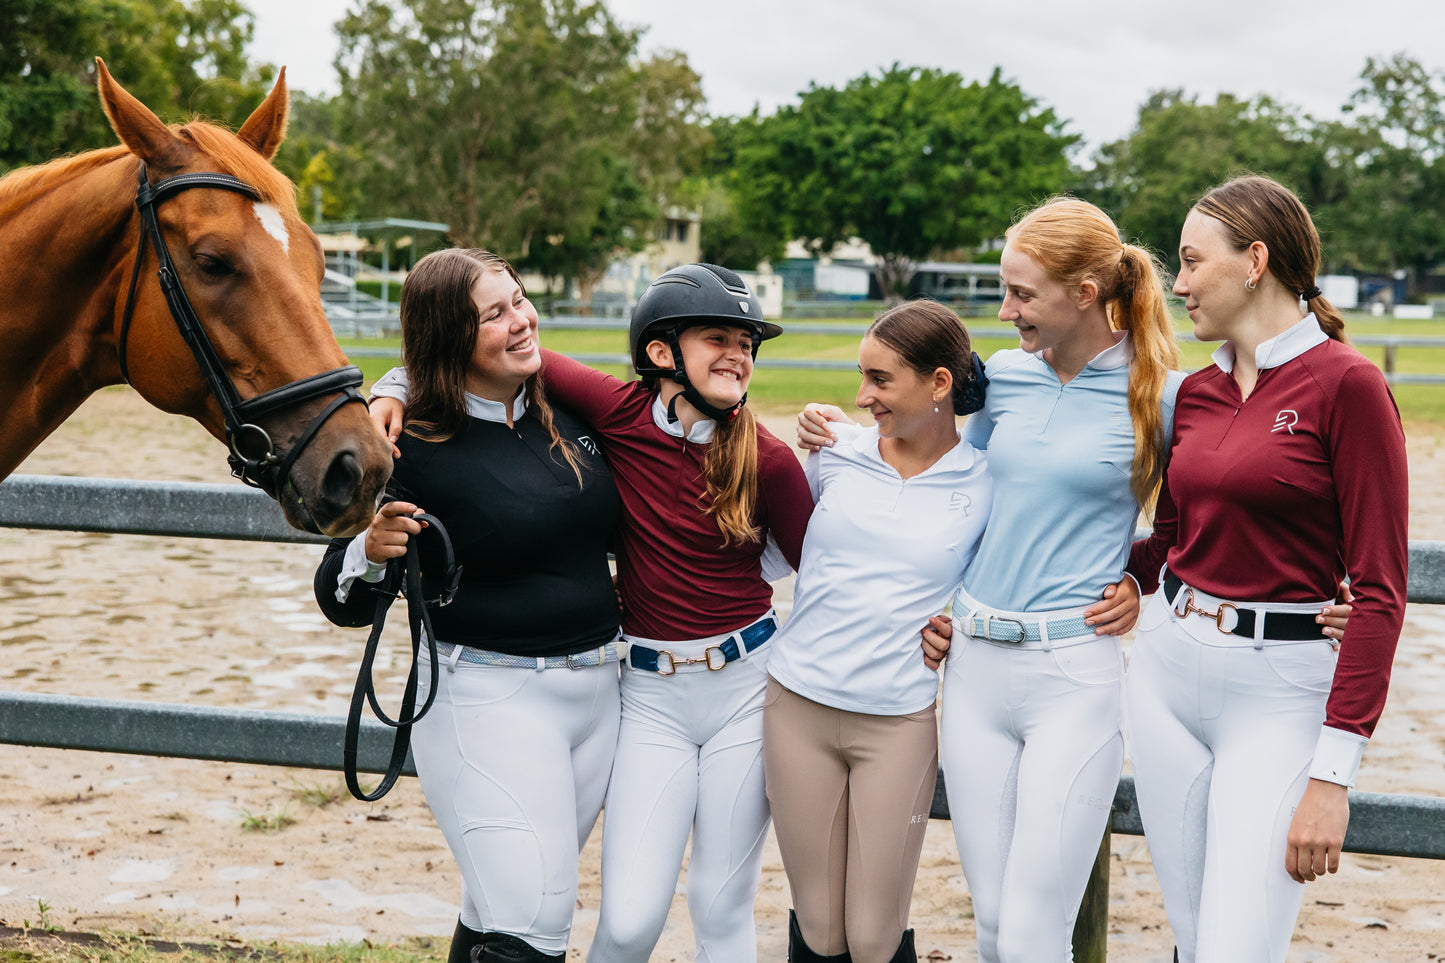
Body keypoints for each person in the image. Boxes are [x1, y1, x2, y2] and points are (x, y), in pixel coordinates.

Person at [368, 262, 814, 963]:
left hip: (742, 686)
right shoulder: (614, 411)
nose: (738, 354)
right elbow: (473, 351)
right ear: (661, 354)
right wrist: (392, 386)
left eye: (747, 342)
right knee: (627, 921)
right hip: (642, 692)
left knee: (720, 903)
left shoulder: (772, 460)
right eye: (717, 338)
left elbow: (824, 572)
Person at [804, 197, 1176, 962]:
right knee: (996, 925)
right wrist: (839, 433)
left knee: (1037, 927)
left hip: (1072, 674)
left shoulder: (1162, 395)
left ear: (1083, 292)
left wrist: (1138, 578)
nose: (1004, 310)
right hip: (971, 667)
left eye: (1021, 293)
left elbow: (1196, 520)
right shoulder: (1001, 378)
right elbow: (953, 480)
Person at [1125, 175, 1408, 962]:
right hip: (1165, 677)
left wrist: (1332, 776)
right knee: (1189, 941)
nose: (1175, 284)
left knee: (1235, 949)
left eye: (1188, 261)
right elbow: (1163, 550)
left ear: (1254, 260)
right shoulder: (1195, 393)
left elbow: (1381, 593)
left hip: (1279, 696)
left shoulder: (1346, 386)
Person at [314, 249, 624, 963]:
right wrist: (370, 546)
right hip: (486, 696)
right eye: (494, 313)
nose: (521, 320)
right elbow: (339, 598)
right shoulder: (406, 444)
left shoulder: (569, 413)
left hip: (599, 697)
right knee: (534, 921)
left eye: (518, 299)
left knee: (495, 909)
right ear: (451, 336)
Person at [763, 300, 993, 963]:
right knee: (820, 928)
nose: (862, 396)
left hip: (894, 721)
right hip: (796, 707)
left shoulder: (983, 485)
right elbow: (770, 557)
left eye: (880, 379)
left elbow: (994, 591)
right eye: (861, 376)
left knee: (871, 936)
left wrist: (958, 628)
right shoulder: (835, 452)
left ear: (940, 383)